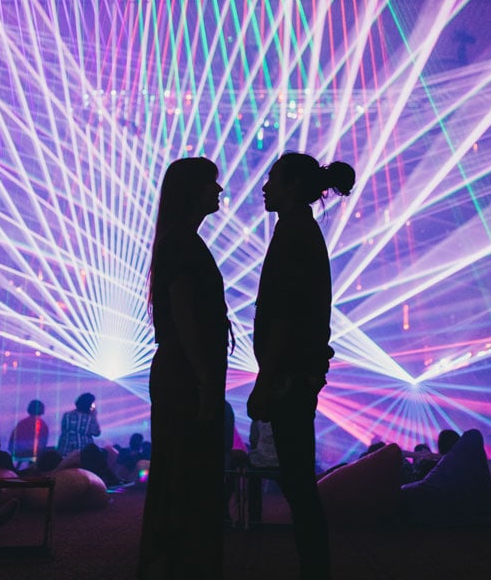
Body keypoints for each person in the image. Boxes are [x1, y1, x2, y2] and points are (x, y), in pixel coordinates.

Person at [247, 152, 355, 580]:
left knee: (297, 483)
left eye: (272, 179)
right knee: (296, 480)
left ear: (291, 186)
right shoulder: (299, 229)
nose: (265, 187)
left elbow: (285, 316)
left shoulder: (293, 231)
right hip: (298, 371)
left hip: (290, 374)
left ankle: (315, 569)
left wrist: (265, 379)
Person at [138, 157, 230, 579]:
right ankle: (180, 563)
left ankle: (173, 560)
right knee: (187, 467)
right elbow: (185, 316)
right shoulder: (183, 242)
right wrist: (207, 383)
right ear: (193, 190)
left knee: (180, 465)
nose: (220, 191)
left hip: (180, 369)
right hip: (185, 372)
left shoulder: (177, 240)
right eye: (212, 183)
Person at [57, 392, 100, 457]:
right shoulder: (90, 418)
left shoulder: (67, 415)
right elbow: (96, 433)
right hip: (84, 452)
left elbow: (64, 430)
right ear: (88, 404)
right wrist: (94, 416)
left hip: (65, 450)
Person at [8, 399, 49, 466]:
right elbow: (43, 444)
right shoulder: (42, 425)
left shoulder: (21, 423)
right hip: (32, 453)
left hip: (16, 451)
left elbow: (12, 440)